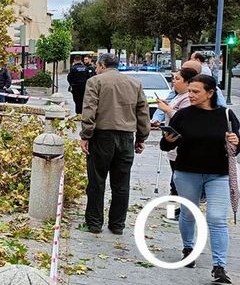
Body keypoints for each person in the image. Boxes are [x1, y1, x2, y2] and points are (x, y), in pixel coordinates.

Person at [160, 74, 239, 283]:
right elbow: (166, 146)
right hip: (187, 172)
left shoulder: (227, 115)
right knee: (188, 213)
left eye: (196, 92)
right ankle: (189, 248)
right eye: (190, 91)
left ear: (210, 93)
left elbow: (236, 148)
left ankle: (219, 266)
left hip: (218, 174)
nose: (191, 95)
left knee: (217, 218)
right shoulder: (183, 115)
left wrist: (235, 141)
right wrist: (167, 140)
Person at [79, 52, 150, 235]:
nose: (95, 69)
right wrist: (141, 137)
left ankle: (95, 222)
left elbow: (89, 110)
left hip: (102, 136)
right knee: (121, 183)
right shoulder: (134, 83)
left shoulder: (95, 82)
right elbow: (143, 111)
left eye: (96, 66)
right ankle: (117, 224)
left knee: (96, 180)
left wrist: (86, 135)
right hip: (126, 137)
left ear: (102, 65)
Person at [155, 66, 197, 222]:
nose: (174, 81)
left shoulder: (188, 98)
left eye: (178, 78)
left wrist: (167, 110)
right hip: (172, 145)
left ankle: (176, 214)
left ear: (188, 82)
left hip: (180, 147)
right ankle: (175, 213)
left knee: (177, 183)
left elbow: (184, 121)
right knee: (174, 180)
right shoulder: (179, 96)